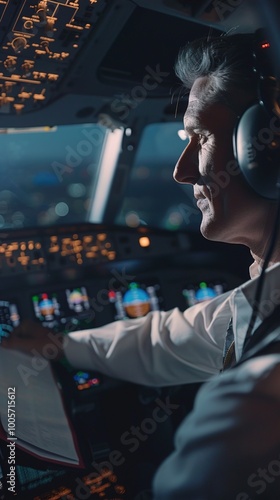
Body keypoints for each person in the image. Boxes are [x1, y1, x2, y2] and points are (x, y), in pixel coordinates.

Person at [2, 32, 280, 498]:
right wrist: (60, 344)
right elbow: (170, 339)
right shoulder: (258, 306)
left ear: (267, 151)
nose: (181, 170)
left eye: (200, 137)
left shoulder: (251, 406)